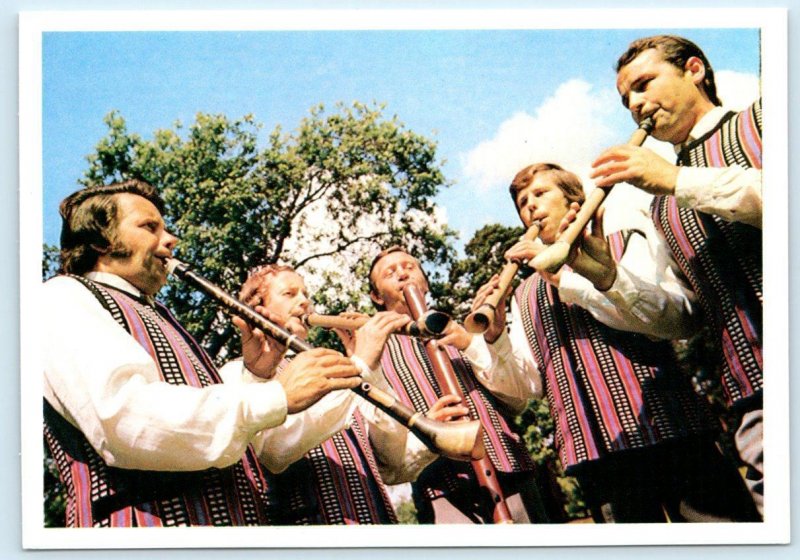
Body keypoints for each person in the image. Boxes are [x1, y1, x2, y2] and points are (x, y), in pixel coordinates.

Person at [42, 180, 361, 527]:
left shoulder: (158, 314)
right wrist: (277, 395)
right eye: (150, 227)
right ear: (99, 241)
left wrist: (256, 374)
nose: (170, 240)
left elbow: (239, 443)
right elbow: (124, 416)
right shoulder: (61, 297)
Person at [475, 162, 759, 522]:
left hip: (672, 432)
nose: (529, 205)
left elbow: (669, 321)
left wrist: (569, 281)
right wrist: (496, 336)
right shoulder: (526, 292)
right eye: (522, 201)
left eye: (540, 193)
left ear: (573, 198)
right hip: (597, 457)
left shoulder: (622, 241)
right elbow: (532, 382)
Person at [590, 34, 763, 515]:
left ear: (694, 70)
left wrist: (676, 179)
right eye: (626, 100)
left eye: (644, 84)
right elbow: (686, 319)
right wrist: (608, 278)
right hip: (756, 399)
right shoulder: (661, 204)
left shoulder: (768, 120)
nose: (636, 104)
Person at [218, 264, 459, 524]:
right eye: (290, 294)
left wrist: (424, 436)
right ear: (258, 308)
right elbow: (274, 452)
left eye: (305, 294)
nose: (304, 302)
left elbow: (392, 466)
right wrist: (360, 364)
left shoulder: (339, 366)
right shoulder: (238, 375)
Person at [368, 247, 546, 524]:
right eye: (390, 273)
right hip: (441, 490)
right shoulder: (373, 353)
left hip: (508, 471)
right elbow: (385, 452)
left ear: (425, 282)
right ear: (376, 296)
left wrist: (475, 342)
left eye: (409, 267)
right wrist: (427, 427)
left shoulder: (463, 330)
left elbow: (517, 400)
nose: (402, 273)